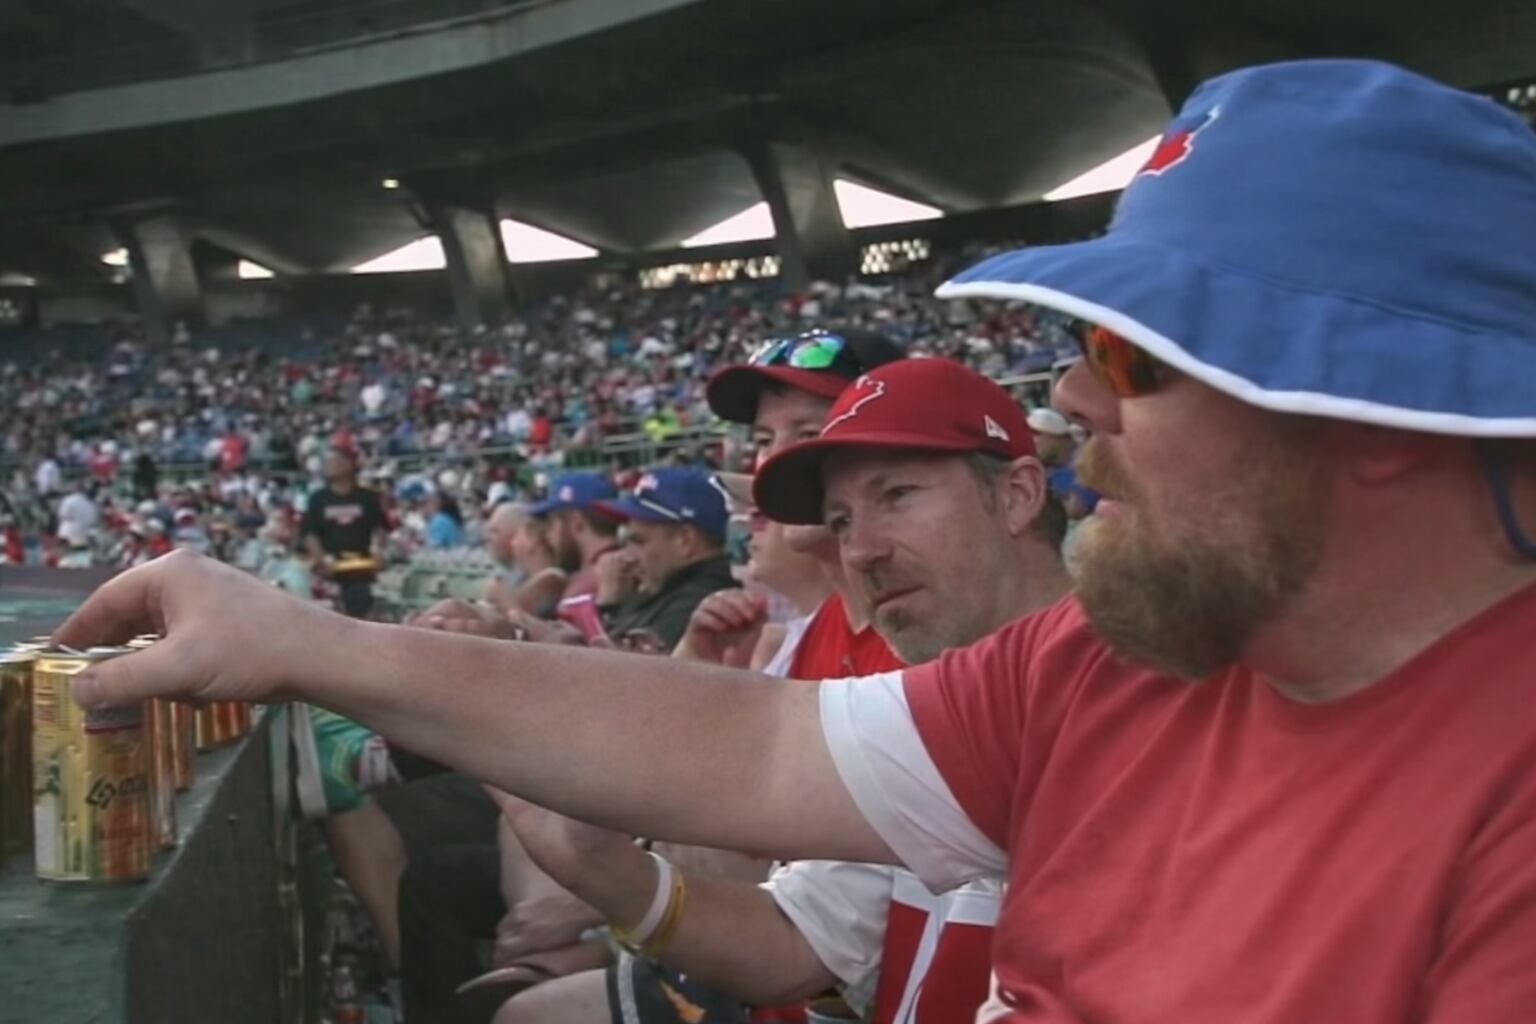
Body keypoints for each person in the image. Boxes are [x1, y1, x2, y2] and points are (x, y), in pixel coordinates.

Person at [58, 60, 1536, 1023]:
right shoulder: (1121, 657)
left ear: (1385, 410)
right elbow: (758, 750)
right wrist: (308, 640)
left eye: (1140, 357)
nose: (1073, 396)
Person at [498, 358, 1072, 1024]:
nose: (861, 552)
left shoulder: (1135, 702)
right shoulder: (919, 695)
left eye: (896, 496)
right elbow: (799, 936)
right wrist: (598, 867)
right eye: (841, 520)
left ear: (1018, 495)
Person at [590, 467, 739, 652]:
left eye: (638, 541)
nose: (627, 556)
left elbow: (618, 675)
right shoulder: (669, 590)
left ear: (685, 541)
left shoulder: (697, 603)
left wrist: (608, 604)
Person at [300, 446, 388, 618]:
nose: (328, 465)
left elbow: (379, 529)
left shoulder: (367, 497)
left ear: (349, 464)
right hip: (331, 567)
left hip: (362, 567)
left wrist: (378, 551)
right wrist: (321, 558)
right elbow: (310, 533)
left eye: (334, 461)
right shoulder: (318, 498)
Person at [527, 472, 621, 601]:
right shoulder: (615, 567)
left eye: (552, 523)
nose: (547, 535)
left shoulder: (587, 585)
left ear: (577, 522)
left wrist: (510, 608)